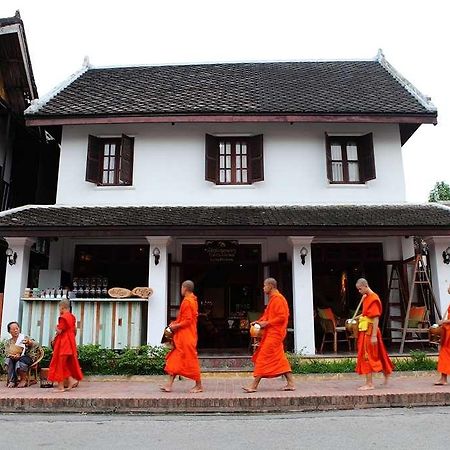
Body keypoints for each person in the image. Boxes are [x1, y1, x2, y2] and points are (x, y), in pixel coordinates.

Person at [243, 278, 295, 393]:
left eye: (264, 285)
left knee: (263, 357)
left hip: (275, 333)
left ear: (270, 286)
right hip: (271, 332)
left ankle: (254, 385)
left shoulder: (278, 299)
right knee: (280, 358)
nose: (263, 288)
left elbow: (282, 317)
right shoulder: (273, 299)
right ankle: (291, 383)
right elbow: (267, 315)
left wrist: (266, 323)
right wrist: (259, 322)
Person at [161, 280, 203, 393]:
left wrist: (175, 326)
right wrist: (175, 323)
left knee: (191, 360)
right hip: (184, 336)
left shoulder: (188, 301)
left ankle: (199, 385)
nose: (181, 290)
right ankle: (168, 385)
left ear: (185, 288)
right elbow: (184, 319)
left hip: (187, 336)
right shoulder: (191, 300)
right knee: (175, 359)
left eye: (181, 287)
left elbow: (188, 320)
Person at [355, 278, 393, 390]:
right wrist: (356, 318)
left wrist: (374, 336)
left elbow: (375, 318)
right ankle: (386, 373)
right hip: (366, 329)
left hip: (371, 330)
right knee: (379, 353)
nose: (359, 291)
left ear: (365, 286)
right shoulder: (366, 297)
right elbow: (366, 313)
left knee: (367, 355)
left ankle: (369, 383)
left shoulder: (374, 298)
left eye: (360, 289)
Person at [48, 299, 83, 392]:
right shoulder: (72, 317)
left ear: (62, 307)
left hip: (63, 344)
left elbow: (60, 330)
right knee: (65, 364)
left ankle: (61, 387)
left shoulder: (63, 317)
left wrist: (56, 328)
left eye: (59, 308)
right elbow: (74, 330)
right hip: (70, 343)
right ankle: (71, 380)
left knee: (59, 364)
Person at [3, 322, 40, 388]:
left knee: (20, 360)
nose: (16, 330)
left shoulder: (24, 337)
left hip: (27, 357)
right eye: (13, 329)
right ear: (9, 331)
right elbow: (6, 353)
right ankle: (13, 380)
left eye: (17, 328)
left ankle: (23, 380)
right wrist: (12, 355)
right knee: (8, 360)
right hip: (14, 357)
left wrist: (29, 342)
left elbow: (36, 344)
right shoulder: (8, 342)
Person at [435, 284, 450, 385]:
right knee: (445, 353)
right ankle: (443, 378)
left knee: (445, 353)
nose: (448, 288)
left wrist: (444, 322)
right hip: (447, 331)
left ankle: (443, 379)